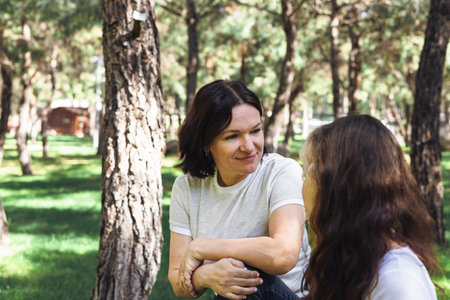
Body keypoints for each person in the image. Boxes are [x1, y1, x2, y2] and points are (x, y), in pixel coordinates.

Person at [168, 80, 311, 299]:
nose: (248, 146)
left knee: (245, 275)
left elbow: (283, 255)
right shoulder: (187, 188)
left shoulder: (281, 172)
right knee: (234, 281)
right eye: (232, 136)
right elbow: (178, 280)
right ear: (206, 143)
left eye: (255, 131)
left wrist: (202, 248)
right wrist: (204, 275)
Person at [299, 114, 439, 300]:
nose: (301, 185)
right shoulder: (354, 252)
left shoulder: (398, 282)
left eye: (306, 173)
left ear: (336, 188)